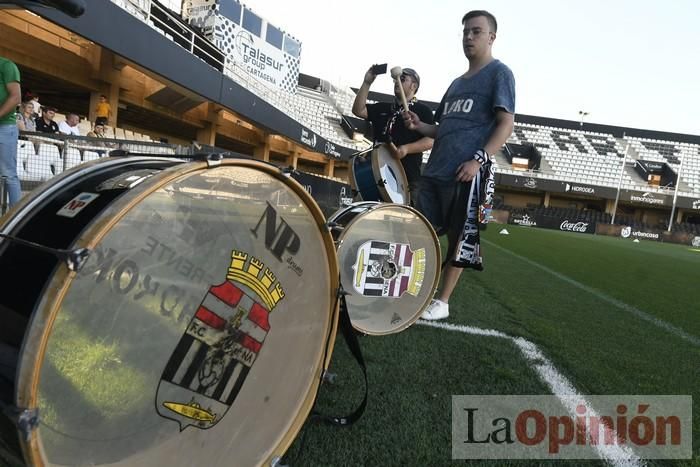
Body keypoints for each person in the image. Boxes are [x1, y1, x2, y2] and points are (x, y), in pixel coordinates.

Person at [402, 10, 515, 320]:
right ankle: (409, 288)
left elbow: (506, 124)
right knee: (420, 233)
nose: (469, 37)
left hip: (466, 172)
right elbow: (444, 129)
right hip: (435, 170)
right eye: (466, 32)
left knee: (458, 236)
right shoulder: (455, 83)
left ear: (491, 37)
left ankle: (442, 302)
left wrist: (479, 159)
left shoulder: (499, 74)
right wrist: (420, 126)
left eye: (476, 31)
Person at [352, 66, 434, 203]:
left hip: (408, 180)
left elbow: (431, 140)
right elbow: (358, 110)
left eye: (402, 79)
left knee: (404, 222)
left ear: (414, 86)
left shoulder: (423, 111)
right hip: (377, 176)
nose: (397, 82)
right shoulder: (382, 108)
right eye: (396, 79)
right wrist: (367, 83)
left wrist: (406, 149)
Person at [0, 55, 22, 207]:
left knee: (8, 174)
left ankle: (16, 216)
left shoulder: (6, 65)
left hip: (5, 127)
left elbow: (15, 97)